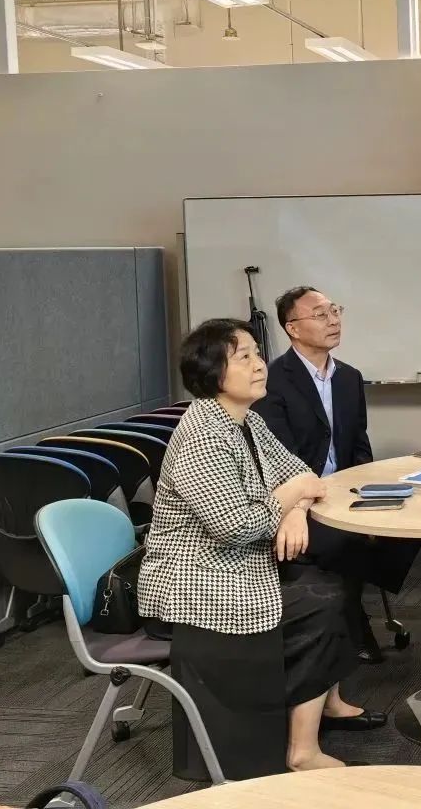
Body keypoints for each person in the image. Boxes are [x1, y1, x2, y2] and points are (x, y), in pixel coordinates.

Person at [137, 318, 384, 781]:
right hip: (198, 581)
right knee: (324, 600)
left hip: (240, 563)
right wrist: (290, 497)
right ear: (212, 373)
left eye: (257, 353)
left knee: (335, 580)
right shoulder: (202, 435)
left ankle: (311, 728)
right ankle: (302, 749)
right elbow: (237, 525)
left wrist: (294, 510)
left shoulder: (247, 421)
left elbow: (301, 473)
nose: (259, 364)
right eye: (244, 357)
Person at [254, 287, 421, 664]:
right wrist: (308, 501)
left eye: (335, 311)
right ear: (293, 328)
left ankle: (350, 604)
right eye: (320, 314)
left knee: (409, 523)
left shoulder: (349, 377)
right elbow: (281, 458)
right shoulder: (273, 380)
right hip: (297, 497)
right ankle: (349, 621)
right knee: (343, 541)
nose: (333, 320)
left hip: (345, 490)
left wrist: (365, 489)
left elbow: (359, 442)